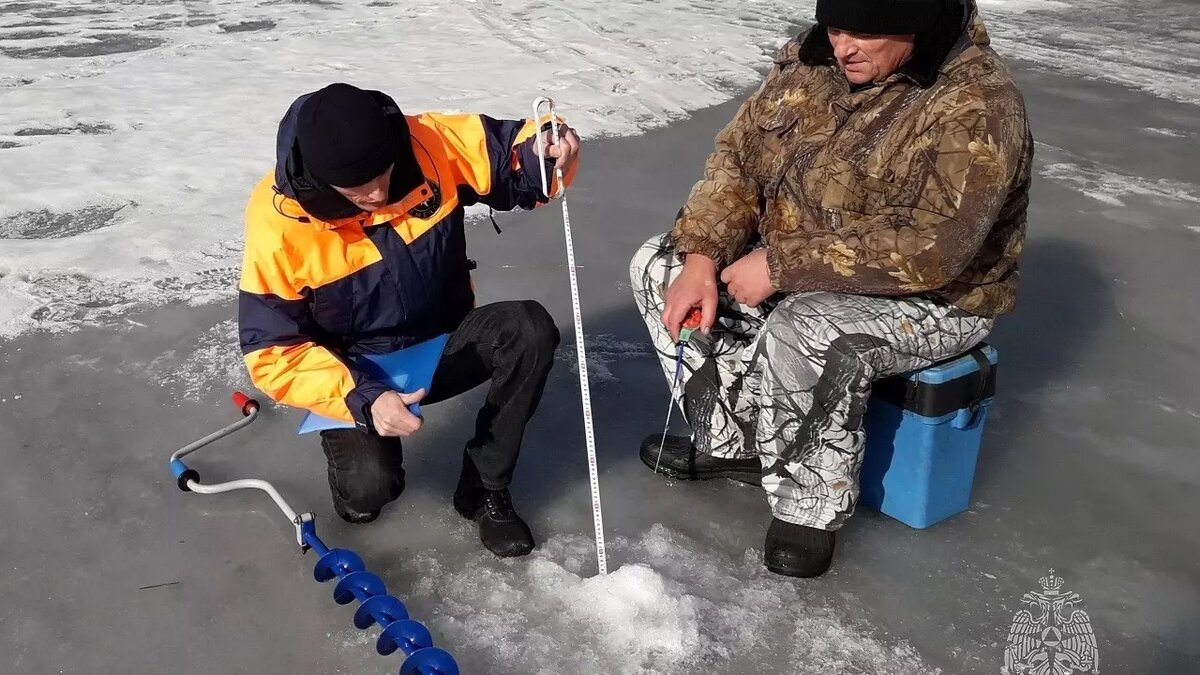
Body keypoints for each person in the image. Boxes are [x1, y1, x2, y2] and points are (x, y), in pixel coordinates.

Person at [630, 0, 1032, 578]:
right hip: (796, 265)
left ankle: (808, 507)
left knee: (810, 327)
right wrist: (702, 257)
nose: (844, 47)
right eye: (836, 27)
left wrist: (782, 266)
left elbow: (934, 248)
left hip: (939, 297)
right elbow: (737, 163)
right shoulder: (810, 58)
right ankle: (735, 445)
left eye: (865, 33)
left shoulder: (977, 101)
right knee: (658, 268)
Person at [238, 82, 580, 558]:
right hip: (357, 373)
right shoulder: (279, 223)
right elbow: (272, 350)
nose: (379, 193)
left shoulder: (426, 141)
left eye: (384, 173)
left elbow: (513, 154)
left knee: (528, 328)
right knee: (369, 496)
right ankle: (358, 466)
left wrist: (549, 147)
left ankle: (483, 486)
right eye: (358, 189)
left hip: (443, 340)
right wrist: (364, 397)